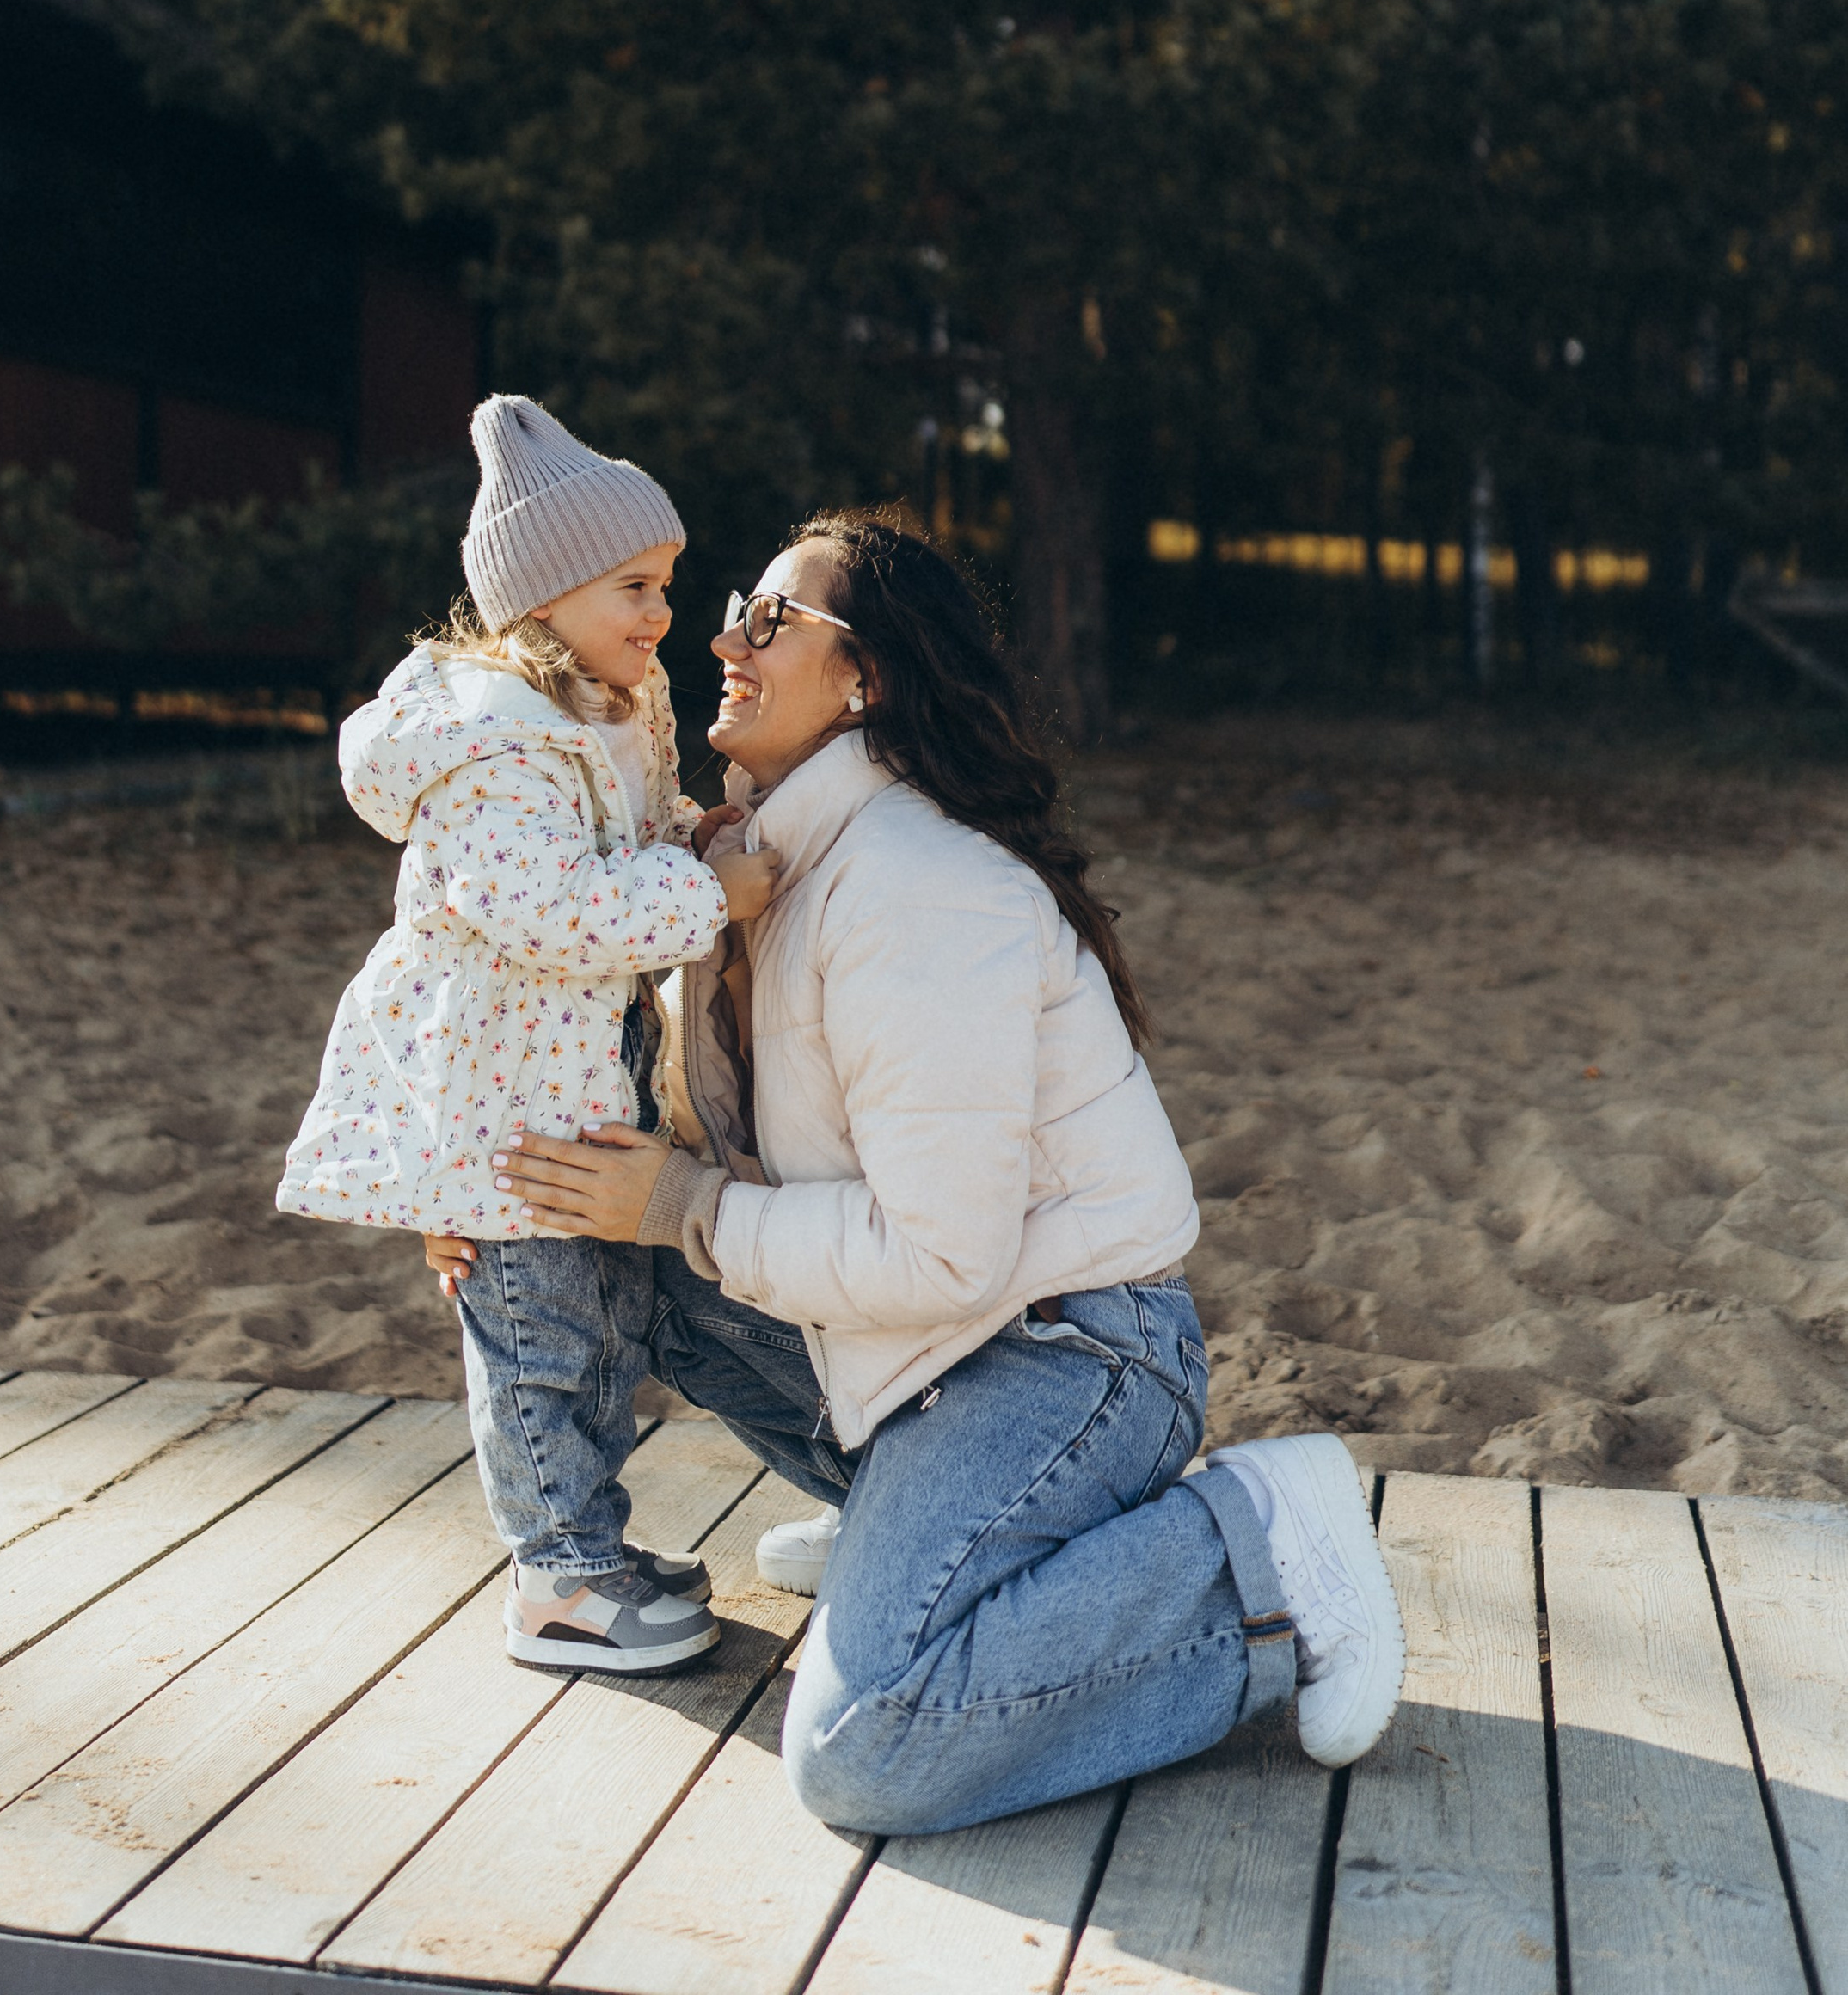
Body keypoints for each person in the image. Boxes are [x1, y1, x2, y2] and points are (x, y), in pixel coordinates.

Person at [469, 512, 1406, 1835]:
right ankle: (915, 1539)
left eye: (772, 622)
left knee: (864, 1749)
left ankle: (1250, 1549)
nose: (725, 642)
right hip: (930, 1348)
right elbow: (608, 1093)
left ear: (866, 679)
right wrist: (482, 1214)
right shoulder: (760, 865)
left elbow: (942, 1254)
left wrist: (681, 1209)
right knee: (601, 1243)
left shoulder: (914, 887)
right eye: (737, 611)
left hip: (1064, 1351)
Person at [277, 394, 779, 1676]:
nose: (662, 614)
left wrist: (689, 837)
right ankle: (556, 1576)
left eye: (666, 583)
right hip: (502, 1103)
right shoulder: (495, 740)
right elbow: (547, 908)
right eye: (633, 586)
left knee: (600, 1320)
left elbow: (624, 840)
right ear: (542, 597)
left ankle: (590, 1542)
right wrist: (704, 895)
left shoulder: (612, 699)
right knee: (540, 1338)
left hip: (575, 1076)